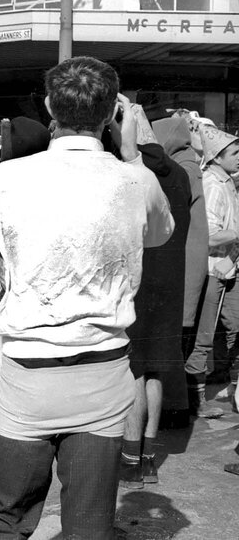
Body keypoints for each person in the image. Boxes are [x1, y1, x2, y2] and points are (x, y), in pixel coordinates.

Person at [0, 58, 174, 539]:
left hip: (29, 375)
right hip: (104, 371)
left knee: (4, 512)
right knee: (89, 517)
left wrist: (14, 280)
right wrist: (132, 153)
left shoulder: (6, 177)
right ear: (112, 114)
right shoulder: (134, 180)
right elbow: (160, 233)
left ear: (48, 107)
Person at [117, 112, 193, 489]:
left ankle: (129, 459)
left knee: (134, 370)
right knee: (157, 370)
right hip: (170, 287)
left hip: (139, 282)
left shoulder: (131, 171)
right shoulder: (179, 175)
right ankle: (148, 457)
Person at [153, 116, 210, 425]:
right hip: (188, 261)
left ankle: (174, 408)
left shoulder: (182, 170)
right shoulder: (189, 164)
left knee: (170, 341)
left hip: (183, 263)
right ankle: (176, 406)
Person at [184, 124, 239, 418]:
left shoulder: (228, 181)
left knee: (235, 329)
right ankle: (197, 401)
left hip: (230, 267)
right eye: (234, 152)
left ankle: (232, 389)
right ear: (217, 157)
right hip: (212, 269)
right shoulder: (213, 185)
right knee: (203, 336)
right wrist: (237, 234)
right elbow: (208, 235)